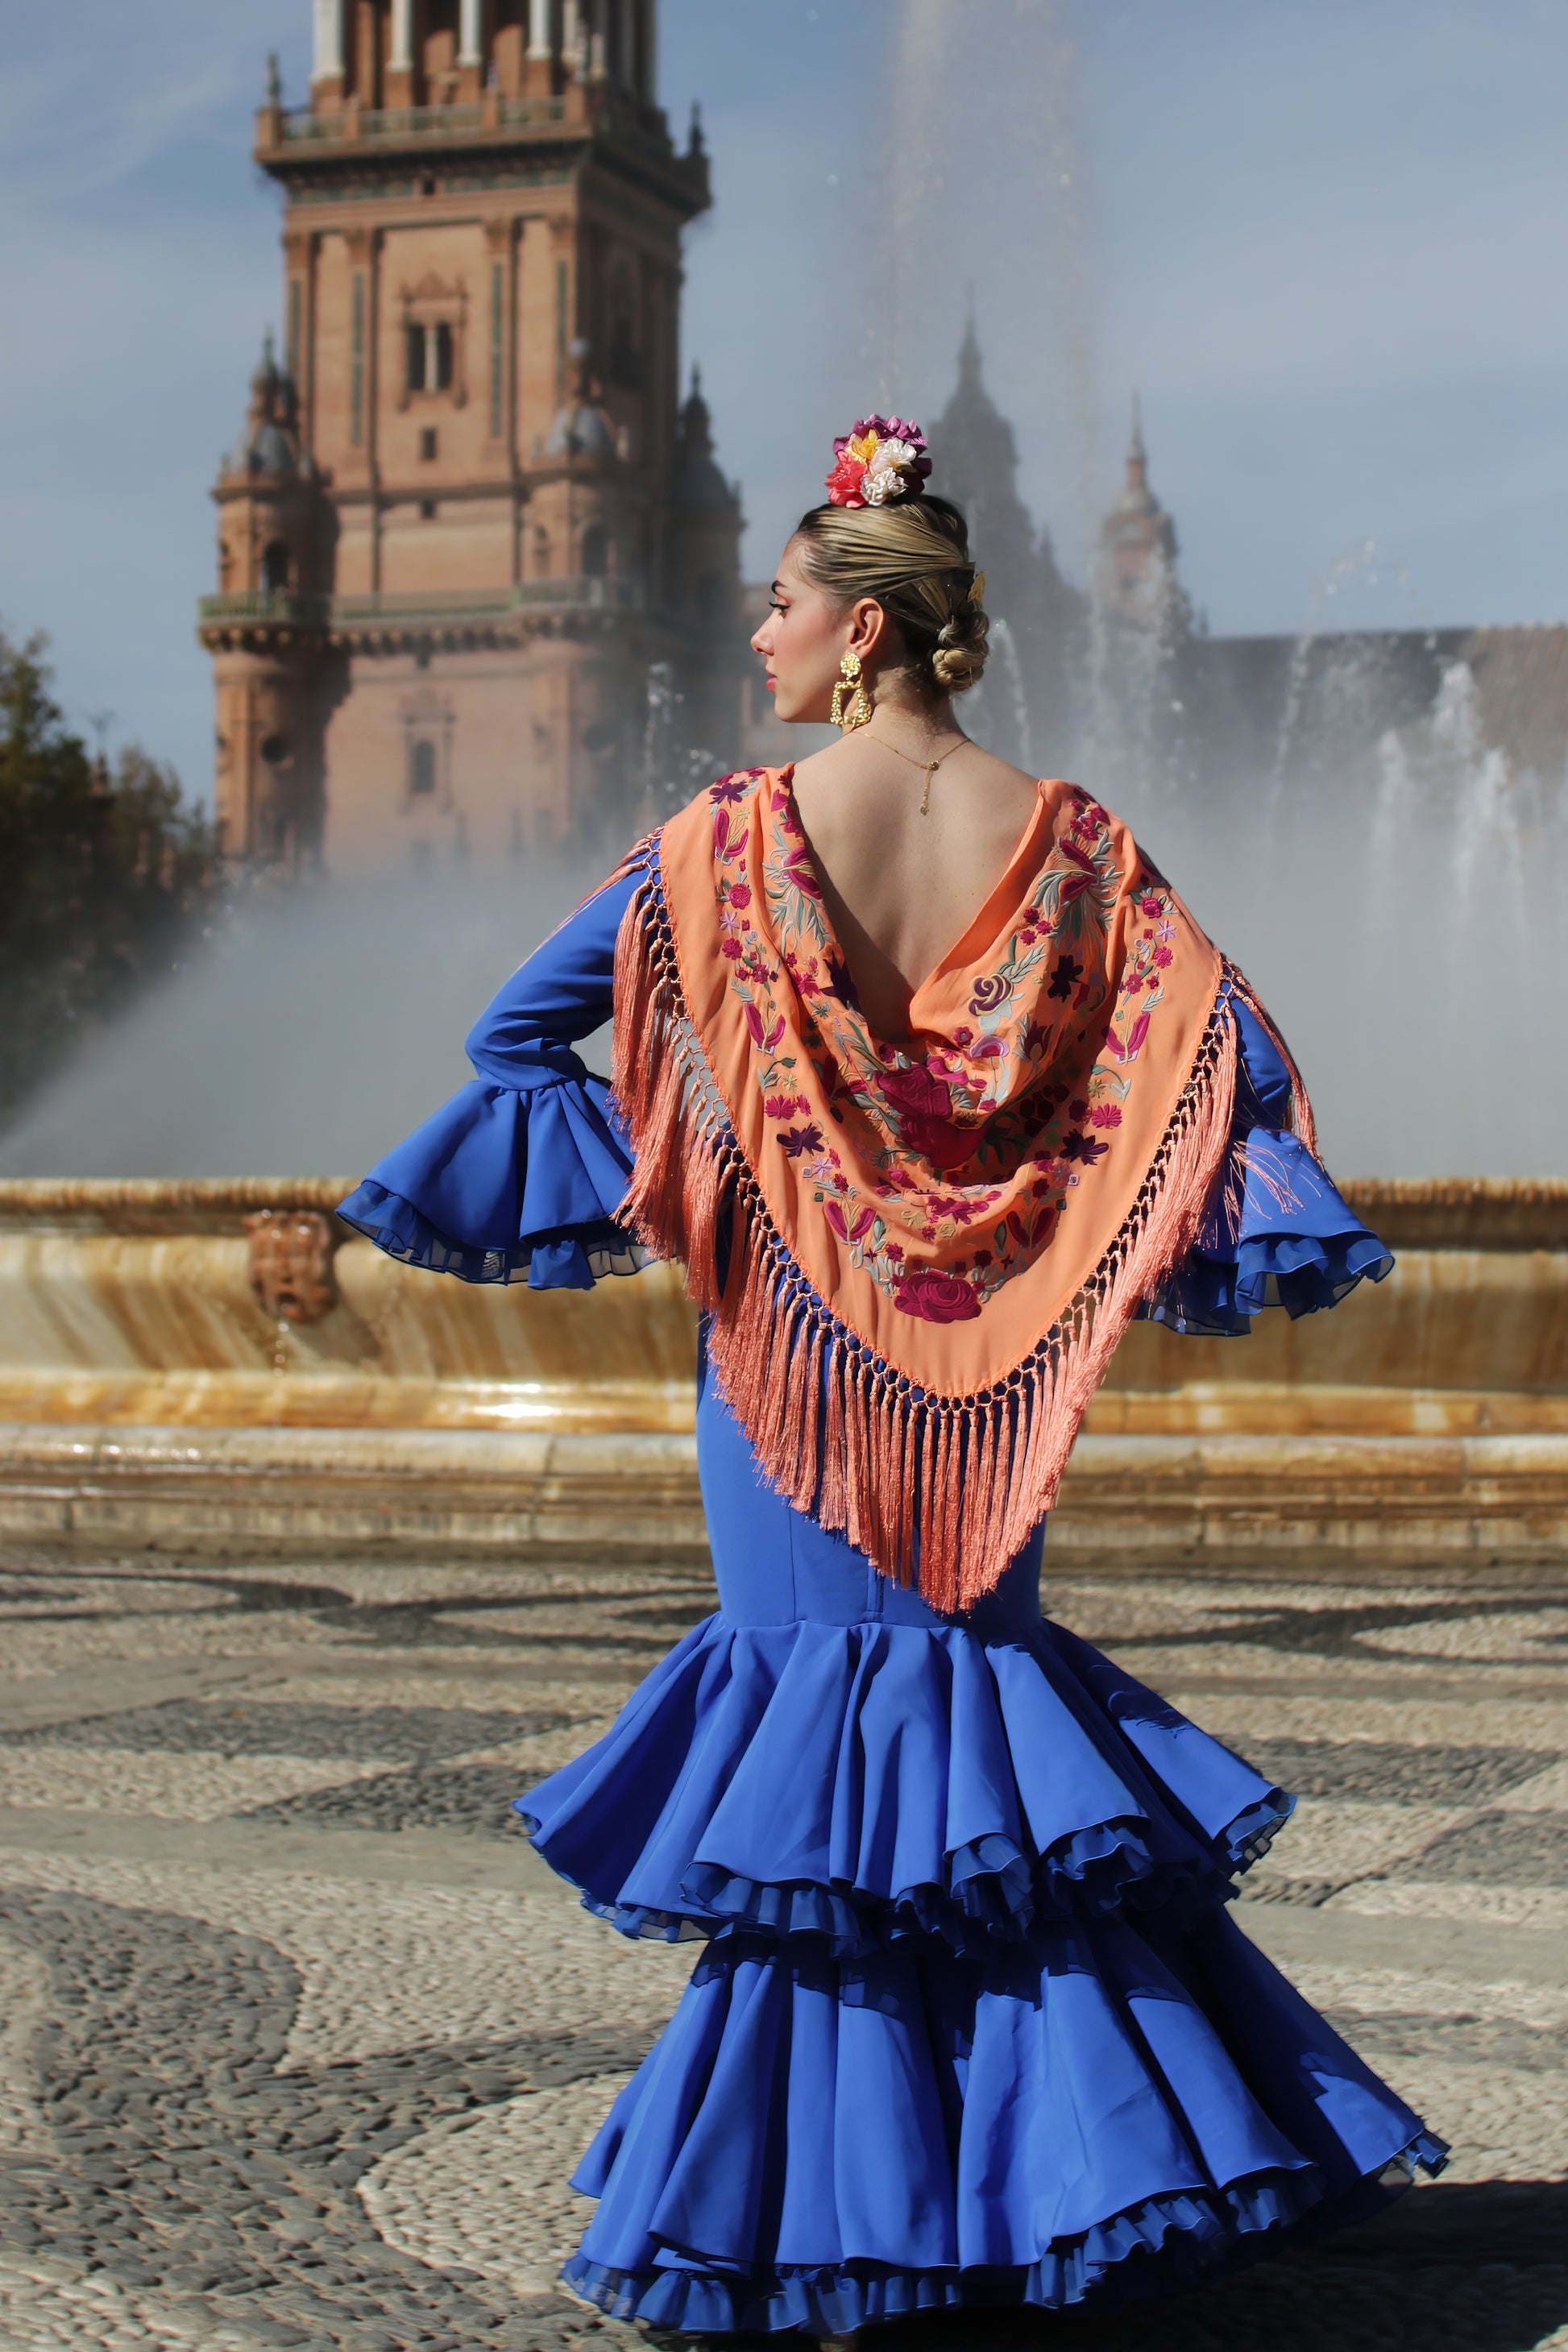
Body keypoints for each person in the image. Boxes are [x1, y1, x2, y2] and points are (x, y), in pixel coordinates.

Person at [339, 414, 1443, 2346]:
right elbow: (1232, 1072)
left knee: (815, 1788)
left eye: (777, 604)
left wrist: (721, 1151)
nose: (754, 635)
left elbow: (517, 1030)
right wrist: (1030, 1191)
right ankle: (1087, 2160)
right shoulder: (1077, 842)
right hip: (988, 1376)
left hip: (788, 1365)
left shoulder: (732, 840)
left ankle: (823, 2198)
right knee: (985, 1771)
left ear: (857, 629)